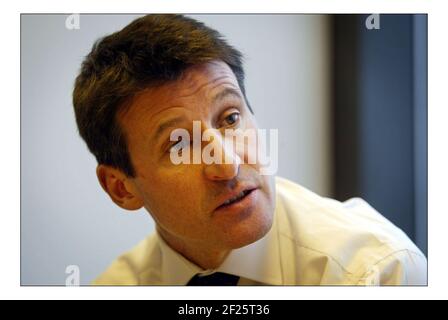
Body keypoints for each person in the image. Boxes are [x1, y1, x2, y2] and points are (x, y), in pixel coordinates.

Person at [73, 14, 427, 285]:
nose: (227, 166)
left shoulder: (375, 272)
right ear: (121, 187)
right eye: (180, 145)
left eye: (230, 118)